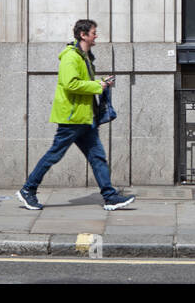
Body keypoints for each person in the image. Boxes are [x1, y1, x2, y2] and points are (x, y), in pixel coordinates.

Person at [16, 19, 135, 212]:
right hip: (72, 118)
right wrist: (99, 86)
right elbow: (70, 84)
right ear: (83, 35)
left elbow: (82, 82)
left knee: (98, 158)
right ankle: (28, 190)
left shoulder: (84, 57)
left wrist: (101, 82)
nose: (96, 36)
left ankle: (110, 197)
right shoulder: (71, 57)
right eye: (94, 32)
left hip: (85, 118)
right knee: (54, 155)